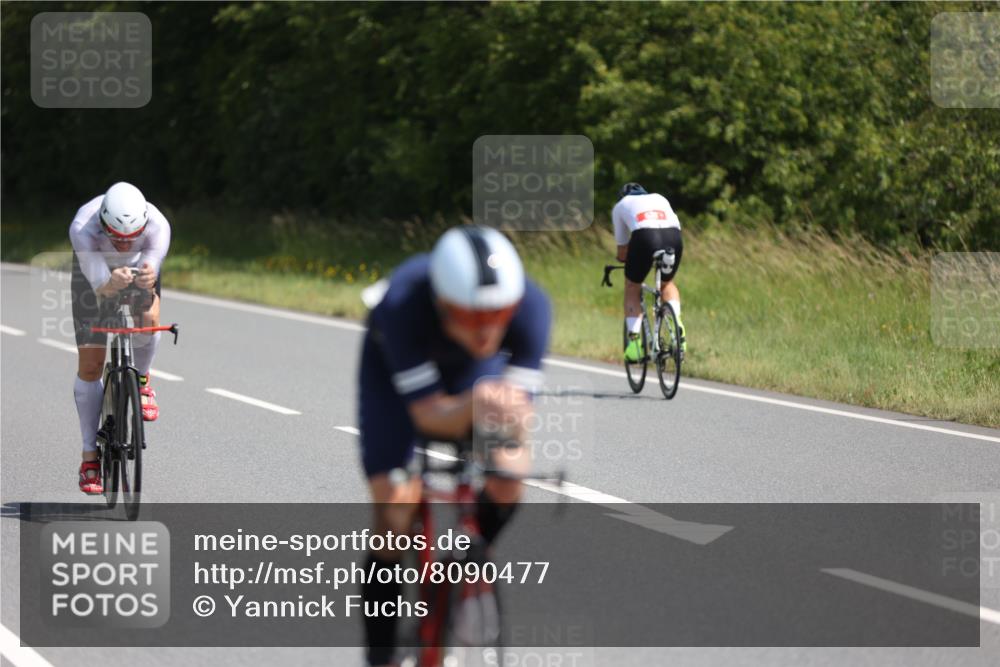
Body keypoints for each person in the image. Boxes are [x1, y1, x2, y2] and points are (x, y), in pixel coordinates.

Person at [357, 225, 551, 666]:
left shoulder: (532, 308)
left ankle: (468, 562)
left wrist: (507, 420)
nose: (487, 331)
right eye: (472, 317)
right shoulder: (403, 303)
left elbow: (519, 420)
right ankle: (381, 655)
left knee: (508, 474)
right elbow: (427, 416)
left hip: (470, 375)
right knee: (393, 506)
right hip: (394, 376)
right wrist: (474, 404)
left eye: (498, 316)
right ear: (444, 304)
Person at [70, 182, 171, 494]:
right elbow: (101, 287)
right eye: (117, 237)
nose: (125, 244)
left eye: (131, 238)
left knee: (149, 318)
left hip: (138, 272)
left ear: (142, 224)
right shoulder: (82, 226)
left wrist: (148, 273)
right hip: (94, 275)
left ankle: (141, 382)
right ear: (103, 224)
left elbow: (152, 264)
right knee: (91, 366)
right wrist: (109, 281)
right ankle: (89, 457)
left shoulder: (157, 223)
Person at [611, 182, 685, 361]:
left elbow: (622, 251)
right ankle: (678, 331)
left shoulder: (620, 206)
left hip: (645, 237)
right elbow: (676, 225)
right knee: (667, 283)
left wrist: (627, 260)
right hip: (673, 237)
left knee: (632, 286)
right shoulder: (659, 197)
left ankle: (635, 344)